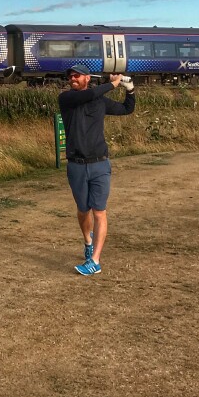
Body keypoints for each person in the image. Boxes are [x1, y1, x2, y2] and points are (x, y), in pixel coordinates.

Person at [58, 64, 136, 276]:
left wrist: (130, 90)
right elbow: (90, 94)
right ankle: (88, 242)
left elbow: (127, 109)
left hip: (100, 164)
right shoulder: (67, 99)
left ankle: (95, 261)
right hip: (76, 165)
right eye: (70, 75)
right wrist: (112, 84)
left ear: (87, 78)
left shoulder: (99, 101)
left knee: (99, 211)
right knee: (83, 210)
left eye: (77, 75)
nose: (72, 78)